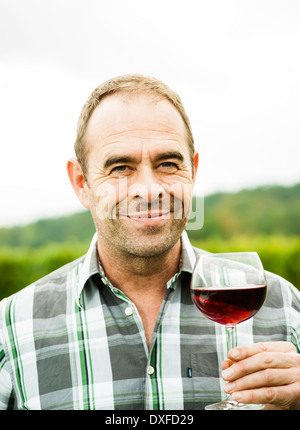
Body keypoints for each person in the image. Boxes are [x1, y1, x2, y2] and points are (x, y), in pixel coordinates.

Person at [0, 74, 299, 410]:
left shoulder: (285, 310)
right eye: (120, 167)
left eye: (168, 164)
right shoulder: (11, 329)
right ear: (82, 183)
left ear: (193, 171)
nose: (149, 189)